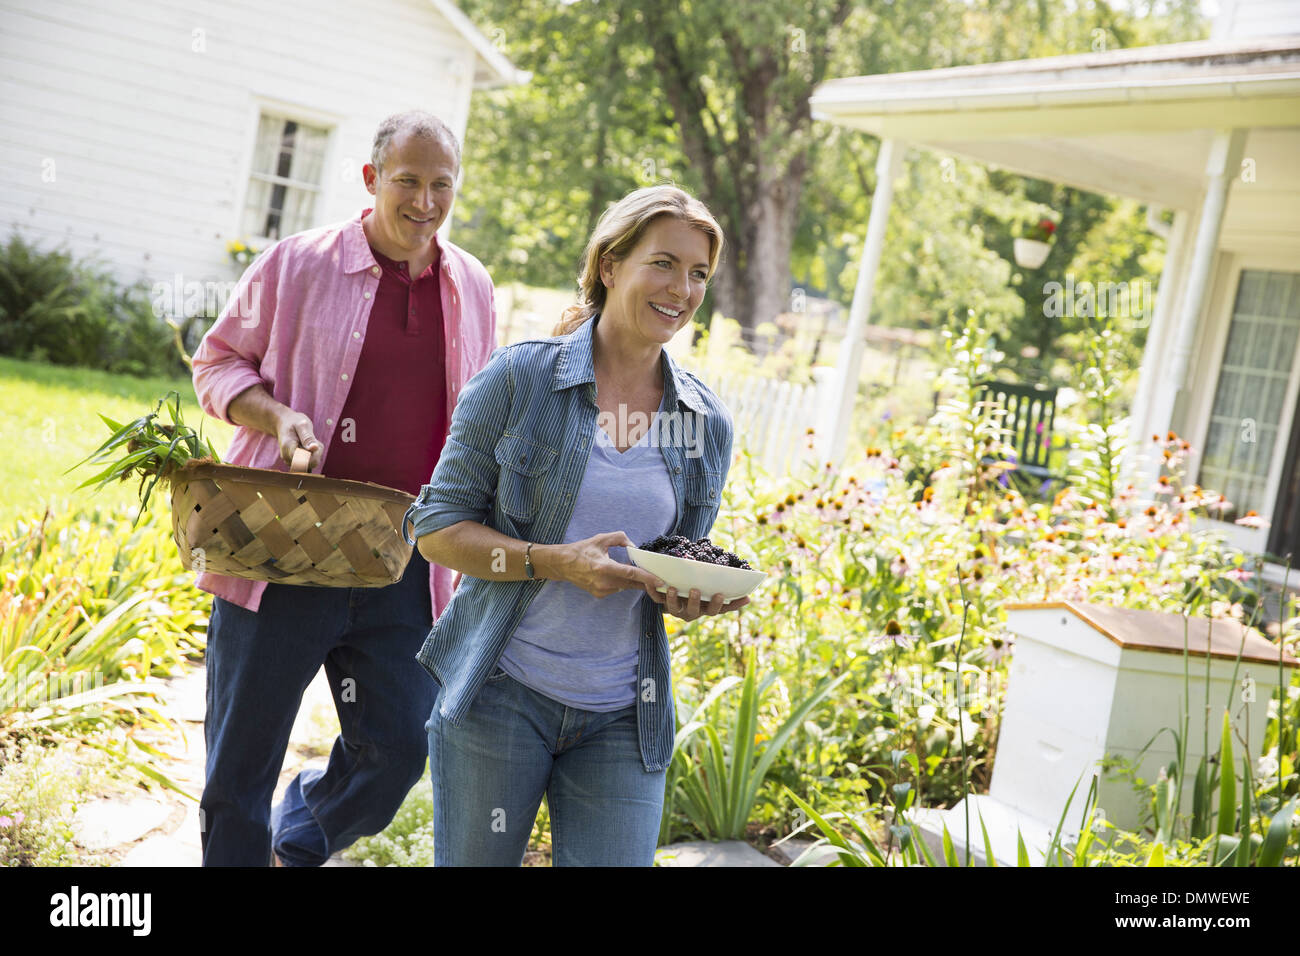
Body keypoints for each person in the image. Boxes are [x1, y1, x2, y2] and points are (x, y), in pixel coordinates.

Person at [405, 184, 749, 867]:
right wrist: (555, 562)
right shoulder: (518, 380)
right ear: (610, 265)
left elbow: (681, 555)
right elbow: (436, 528)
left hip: (625, 711)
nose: (682, 288)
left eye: (699, 273)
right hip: (501, 690)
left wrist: (694, 596)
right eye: (664, 263)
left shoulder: (703, 423)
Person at [190, 110, 496, 866]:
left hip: (402, 560)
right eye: (407, 182)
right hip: (286, 545)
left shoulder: (472, 287)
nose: (424, 201)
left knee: (396, 749)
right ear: (371, 180)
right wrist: (280, 413)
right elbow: (217, 364)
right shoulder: (297, 264)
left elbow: (478, 412)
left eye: (441, 185)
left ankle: (296, 841)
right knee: (240, 767)